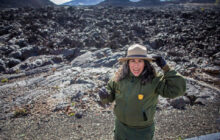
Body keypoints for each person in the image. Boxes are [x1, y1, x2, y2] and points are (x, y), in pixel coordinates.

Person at [98, 44, 186, 140]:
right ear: (127, 63)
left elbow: (177, 90)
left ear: (146, 63)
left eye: (140, 61)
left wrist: (166, 68)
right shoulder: (119, 78)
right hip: (120, 128)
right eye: (132, 61)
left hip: (142, 132)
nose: (136, 65)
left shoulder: (154, 79)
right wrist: (104, 96)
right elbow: (109, 97)